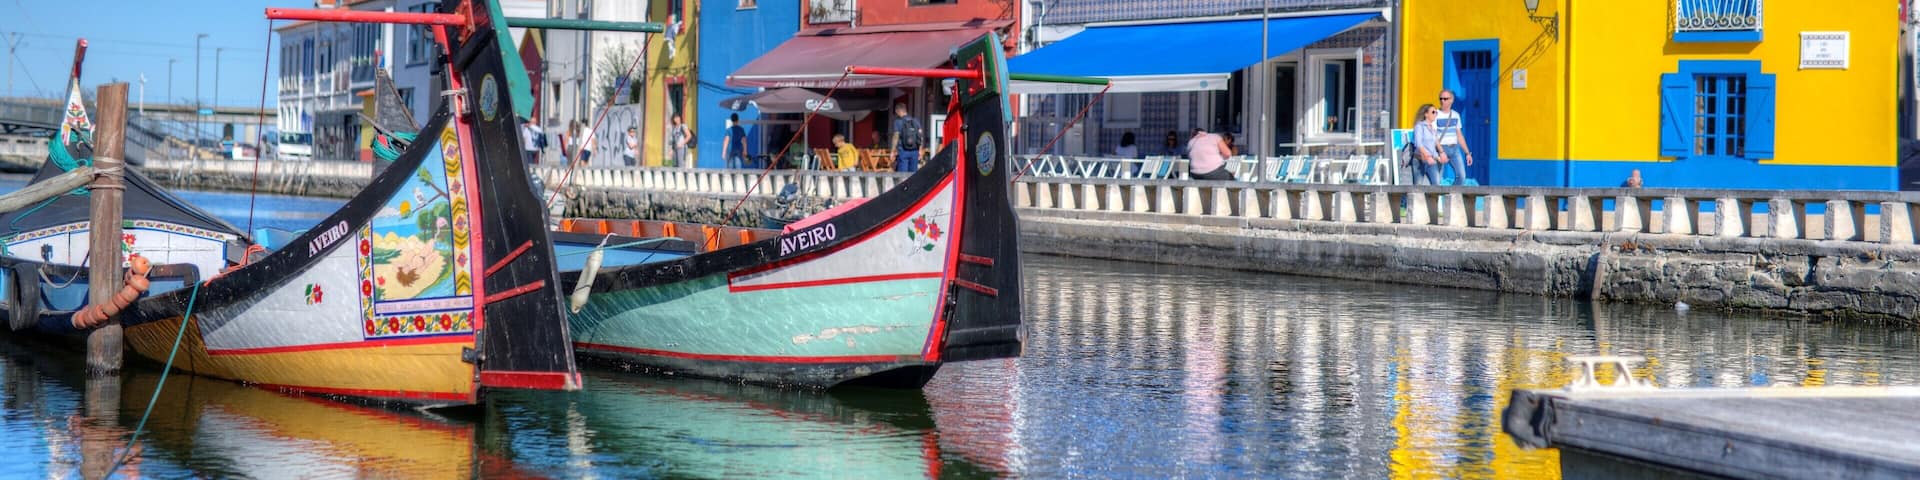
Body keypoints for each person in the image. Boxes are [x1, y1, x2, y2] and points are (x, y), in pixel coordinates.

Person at [1435, 89, 1475, 186]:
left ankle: (1451, 196)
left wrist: (1467, 153)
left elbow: (1459, 135)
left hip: (1454, 148)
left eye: (1445, 99)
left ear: (1451, 100)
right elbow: (1433, 136)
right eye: (1441, 99)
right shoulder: (1435, 114)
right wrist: (1441, 152)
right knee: (1436, 180)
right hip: (1440, 149)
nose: (1442, 101)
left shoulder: (1456, 115)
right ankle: (1436, 200)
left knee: (1461, 176)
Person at [1408, 104, 1445, 186]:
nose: (1435, 114)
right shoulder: (1419, 126)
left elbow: (1432, 147)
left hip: (1431, 161)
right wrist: (1427, 156)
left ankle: (1432, 199)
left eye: (1436, 112)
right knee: (1418, 186)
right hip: (1419, 160)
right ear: (1426, 114)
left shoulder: (1432, 128)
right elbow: (1418, 143)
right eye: (1433, 112)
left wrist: (1438, 157)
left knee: (1436, 184)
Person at [890, 103, 925, 173]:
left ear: (897, 111)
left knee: (902, 175)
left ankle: (904, 184)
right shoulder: (915, 121)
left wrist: (892, 151)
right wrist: (920, 150)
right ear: (905, 110)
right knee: (913, 175)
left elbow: (895, 137)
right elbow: (920, 136)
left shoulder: (898, 122)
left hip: (903, 151)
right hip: (915, 151)